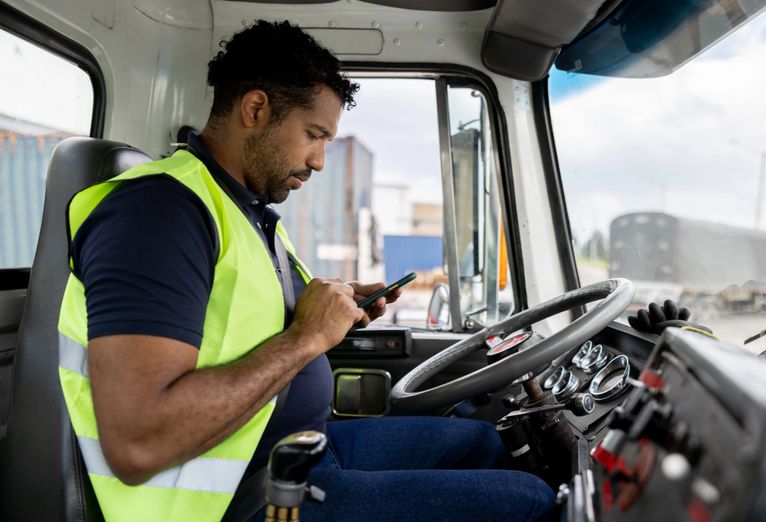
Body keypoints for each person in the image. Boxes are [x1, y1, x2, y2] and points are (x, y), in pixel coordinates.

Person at [57, 20, 555, 522]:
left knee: (484, 442)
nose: (319, 160)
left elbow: (247, 323)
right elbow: (139, 443)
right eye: (313, 135)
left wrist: (337, 309)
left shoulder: (245, 208)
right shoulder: (159, 214)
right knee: (532, 503)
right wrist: (306, 338)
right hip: (240, 501)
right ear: (255, 110)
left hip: (293, 450)